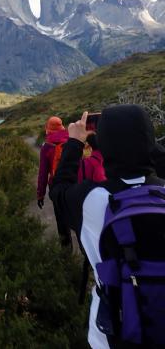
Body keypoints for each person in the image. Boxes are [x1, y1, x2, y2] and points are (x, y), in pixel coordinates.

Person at [50, 105, 165, 349]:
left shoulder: (92, 200)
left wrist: (75, 143)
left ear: (104, 142)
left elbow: (58, 190)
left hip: (112, 336)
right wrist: (141, 141)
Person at [37, 116, 71, 247]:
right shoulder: (71, 140)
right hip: (74, 183)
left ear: (48, 129)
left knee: (61, 220)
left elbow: (43, 173)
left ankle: (66, 253)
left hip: (56, 186)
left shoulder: (46, 147)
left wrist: (40, 194)